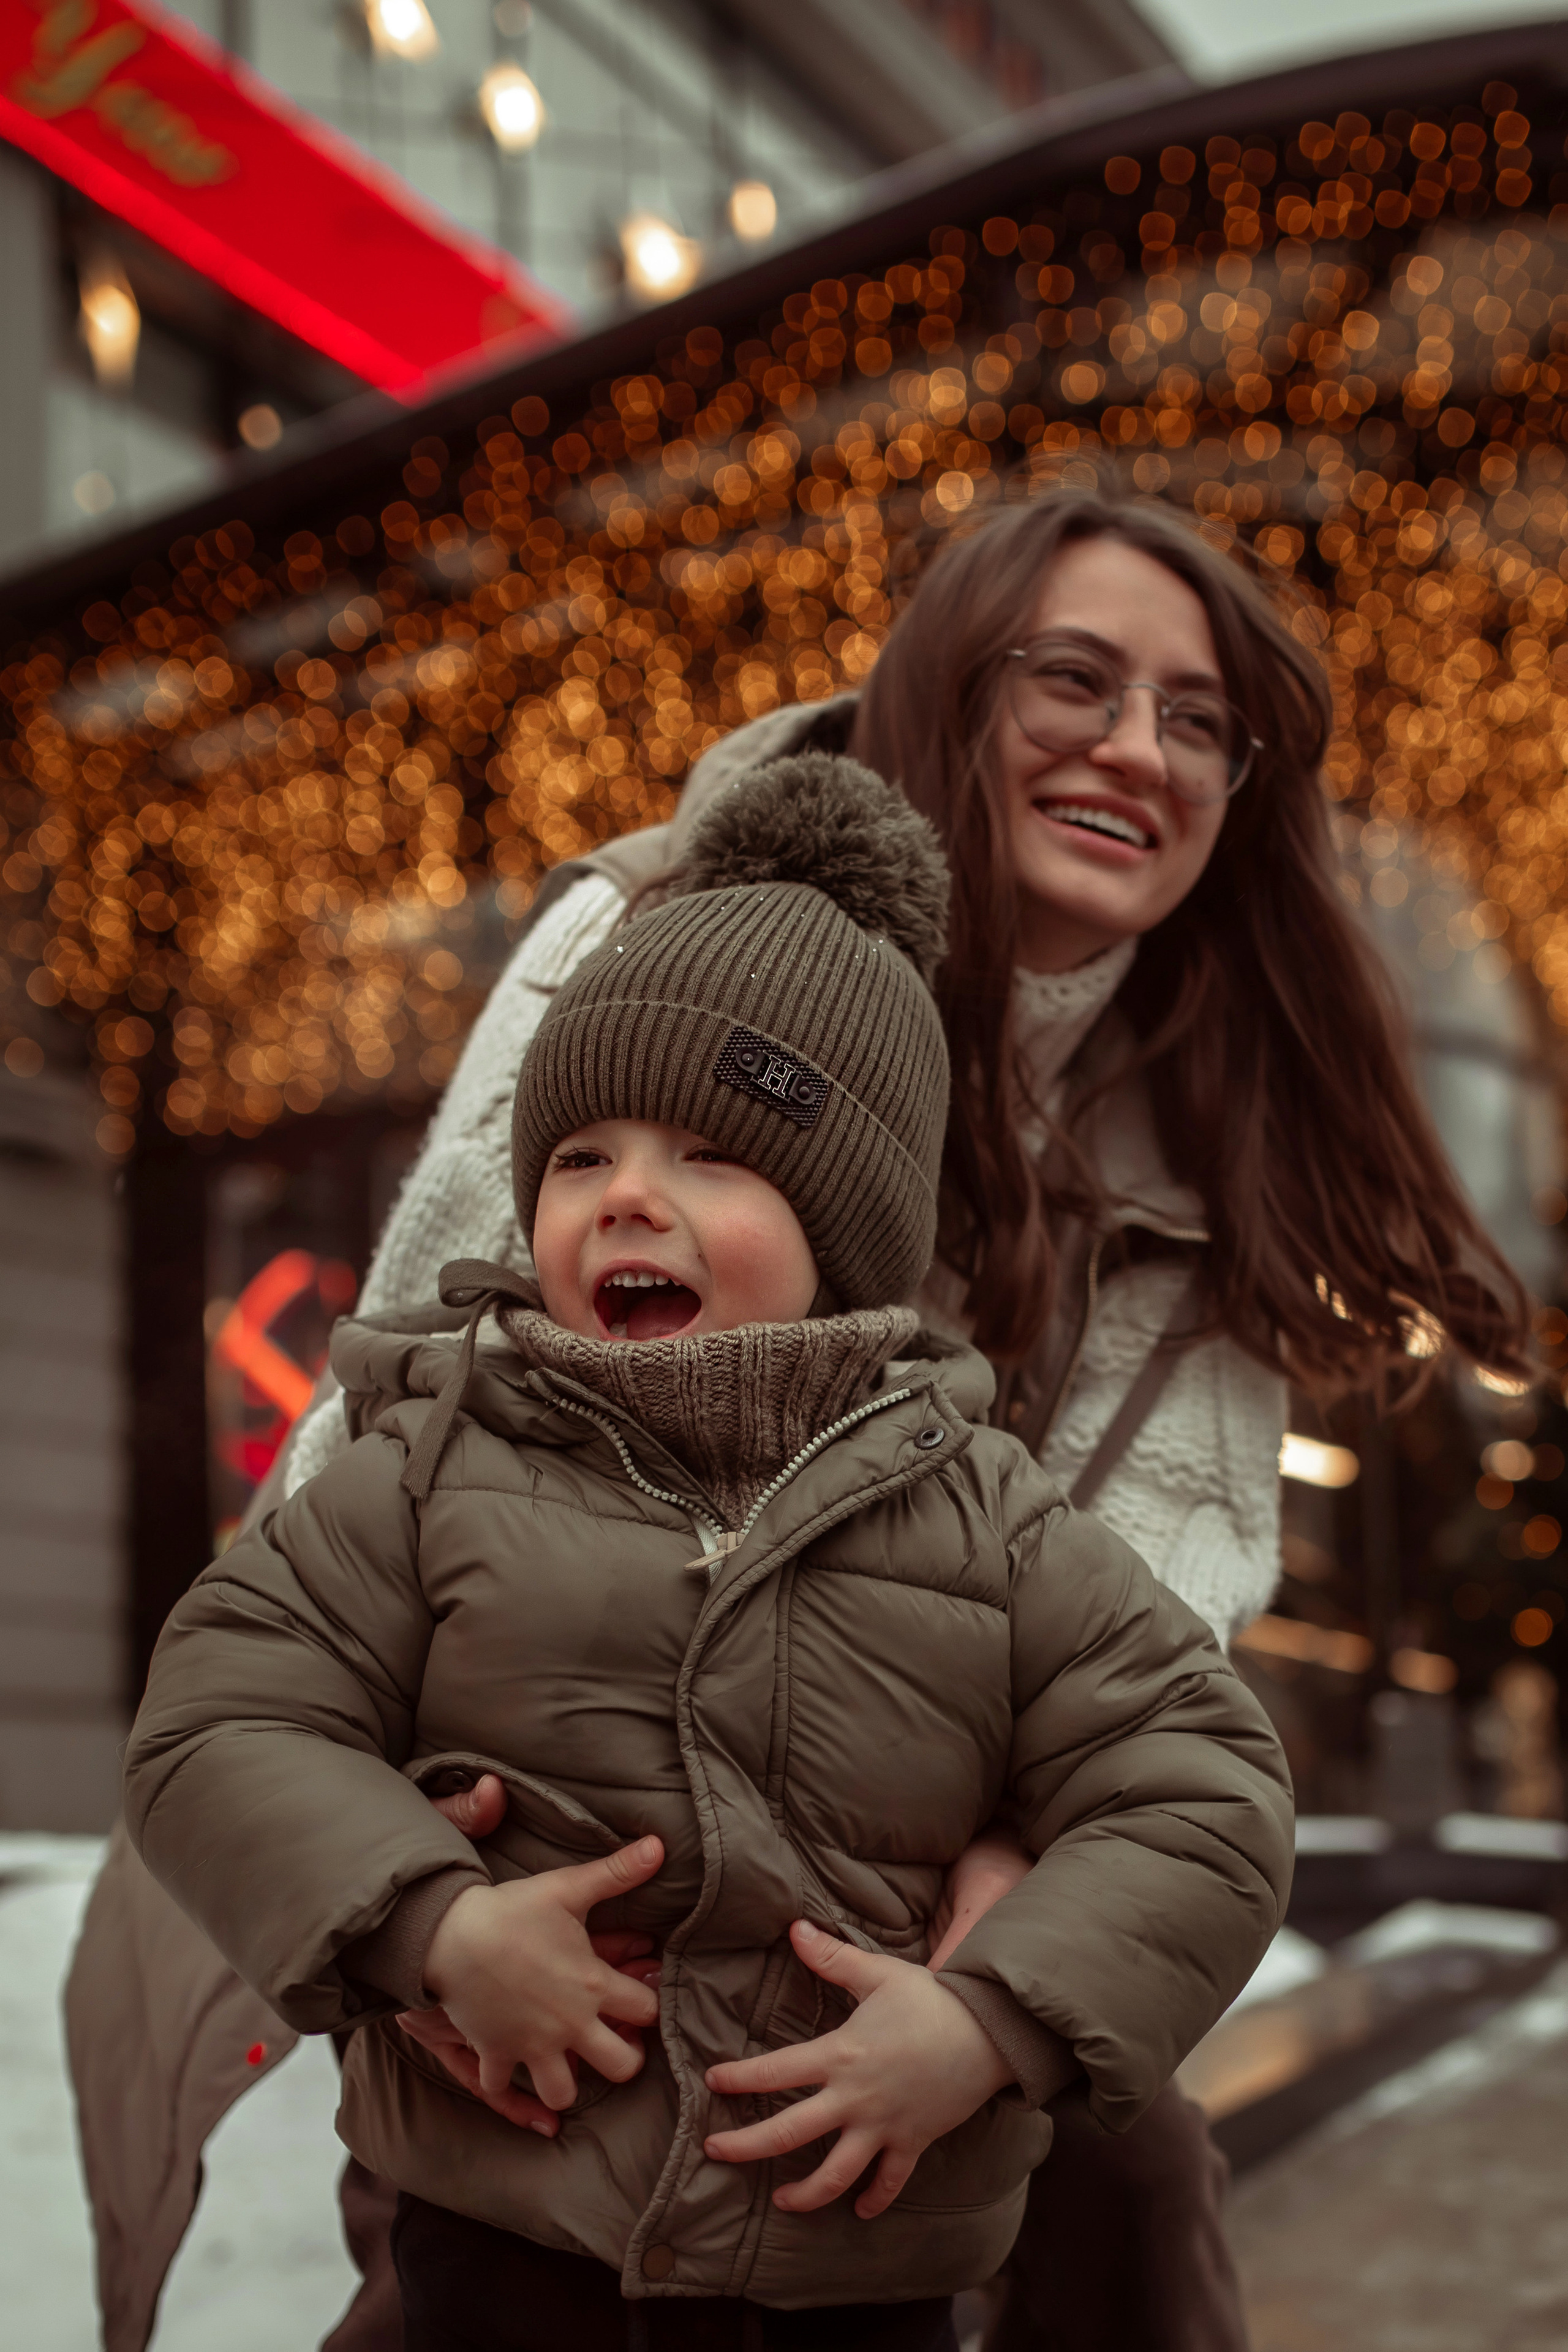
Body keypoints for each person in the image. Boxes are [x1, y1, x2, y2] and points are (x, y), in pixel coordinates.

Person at [68, 477, 1528, 2350]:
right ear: (949, 686)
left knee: (1129, 2177)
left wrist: (1013, 1922)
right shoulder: (662, 937)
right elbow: (420, 1382)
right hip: (554, 1844)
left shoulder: (1215, 1094)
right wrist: (416, 1888)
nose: (1136, 748)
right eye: (1072, 679)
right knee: (498, 2229)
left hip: (909, 1843)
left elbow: (1165, 1595)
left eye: (1199, 720)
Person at [121, 756, 1292, 2352]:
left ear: (846, 1226)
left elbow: (1202, 1790)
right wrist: (435, 1929)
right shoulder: (433, 1468)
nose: (628, 1202)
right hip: (507, 2241)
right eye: (583, 1158)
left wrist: (986, 2017)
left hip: (854, 2257)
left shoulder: (986, 1521)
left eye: (713, 1158)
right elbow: (220, 1715)